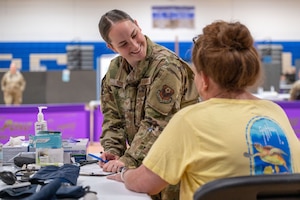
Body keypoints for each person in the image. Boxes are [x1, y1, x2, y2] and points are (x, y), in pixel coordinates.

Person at [107, 20, 300, 200]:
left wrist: (125, 174)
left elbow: (146, 183)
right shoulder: (275, 112)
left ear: (205, 79)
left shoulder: (190, 120)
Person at [98, 9, 199, 200]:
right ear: (111, 47)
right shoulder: (114, 71)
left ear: (137, 24)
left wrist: (128, 160)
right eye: (123, 44)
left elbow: (157, 123)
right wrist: (113, 151)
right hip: (141, 166)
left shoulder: (165, 66)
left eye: (135, 35)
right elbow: (113, 119)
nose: (135, 46)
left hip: (175, 164)